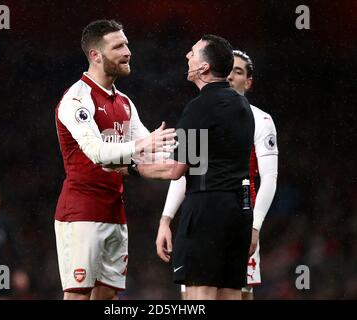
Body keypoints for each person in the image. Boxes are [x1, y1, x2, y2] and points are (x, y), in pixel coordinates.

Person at [54, 19, 176, 300]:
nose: (128, 51)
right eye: (118, 46)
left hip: (114, 211)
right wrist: (143, 144)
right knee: (78, 296)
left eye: (127, 44)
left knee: (107, 297)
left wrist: (204, 153)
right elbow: (97, 152)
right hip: (81, 212)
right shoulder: (76, 100)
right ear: (96, 55)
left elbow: (155, 150)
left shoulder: (123, 102)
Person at [135, 35, 255, 300]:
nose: (187, 56)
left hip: (207, 210)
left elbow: (176, 170)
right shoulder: (243, 105)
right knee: (231, 293)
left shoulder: (199, 107)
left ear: (204, 68)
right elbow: (205, 157)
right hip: (240, 212)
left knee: (199, 295)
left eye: (193, 52)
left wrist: (134, 168)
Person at [155, 50, 279, 300]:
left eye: (239, 72)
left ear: (249, 82)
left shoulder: (259, 120)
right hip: (205, 216)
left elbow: (269, 179)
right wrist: (166, 218)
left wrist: (255, 227)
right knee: (196, 294)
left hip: (239, 218)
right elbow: (188, 167)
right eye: (229, 70)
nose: (232, 76)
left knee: (234, 294)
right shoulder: (203, 112)